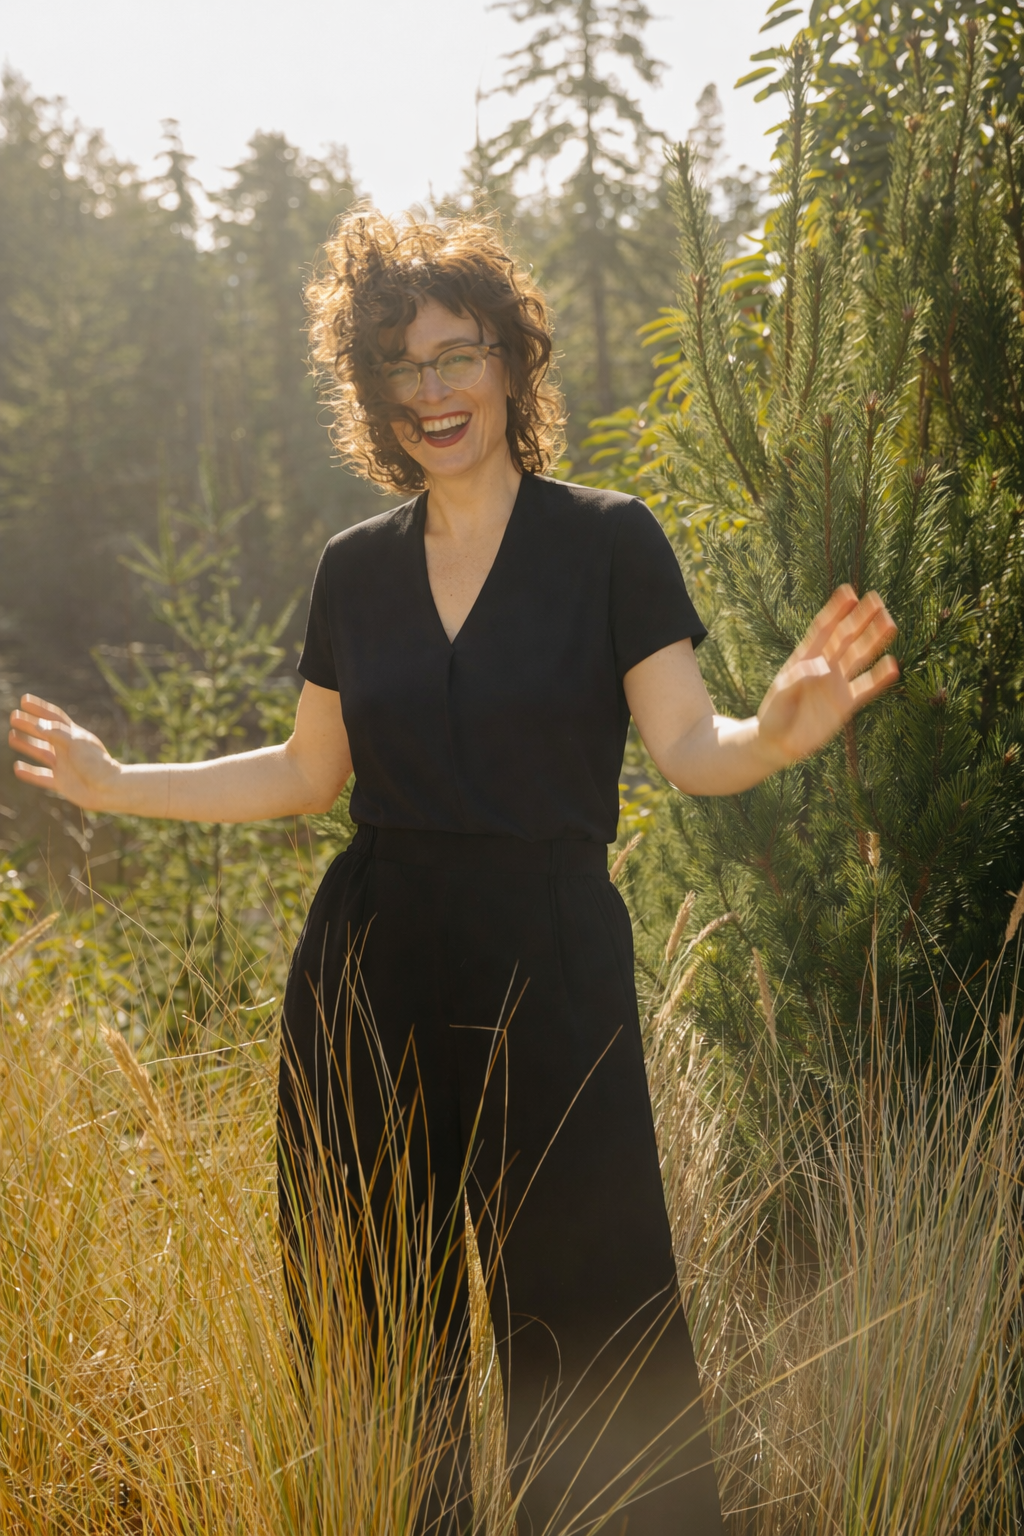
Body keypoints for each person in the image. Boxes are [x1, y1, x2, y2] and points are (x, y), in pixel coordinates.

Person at [8, 212, 898, 1535]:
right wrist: (115, 783)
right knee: (380, 1334)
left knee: (588, 1331)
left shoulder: (610, 543)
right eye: (402, 367)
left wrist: (774, 735)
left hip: (555, 972)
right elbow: (311, 776)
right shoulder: (354, 572)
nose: (433, 392)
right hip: (373, 974)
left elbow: (690, 747)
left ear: (512, 360)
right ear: (375, 391)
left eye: (456, 355)